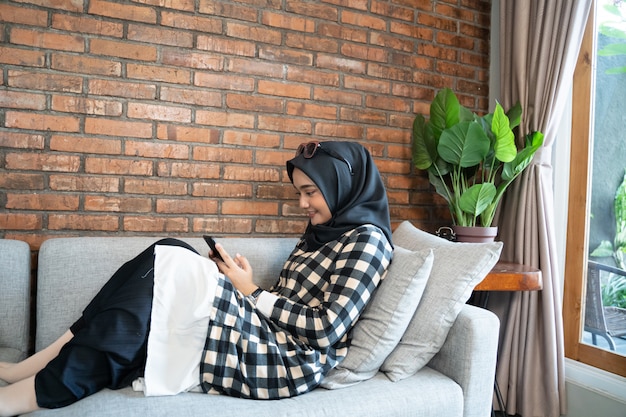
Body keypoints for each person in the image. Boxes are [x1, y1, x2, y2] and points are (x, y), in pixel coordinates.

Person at [0, 141, 393, 416]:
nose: (302, 204)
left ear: (343, 184)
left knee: (173, 272)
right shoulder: (322, 234)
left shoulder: (368, 242)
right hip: (269, 333)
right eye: (300, 193)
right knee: (169, 249)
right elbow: (286, 302)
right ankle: (35, 365)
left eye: (310, 192)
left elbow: (325, 329)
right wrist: (252, 285)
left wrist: (251, 291)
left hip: (288, 362)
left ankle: (28, 392)